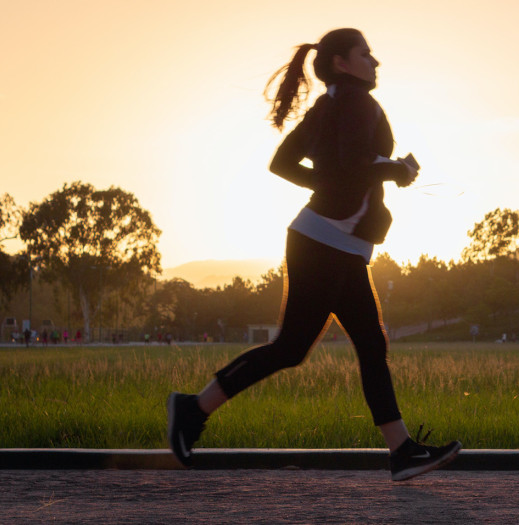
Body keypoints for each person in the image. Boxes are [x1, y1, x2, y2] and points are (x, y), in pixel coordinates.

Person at [167, 28, 461, 481]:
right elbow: (351, 165)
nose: (375, 61)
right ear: (343, 62)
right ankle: (192, 408)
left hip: (332, 242)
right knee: (294, 347)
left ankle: (401, 451)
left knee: (368, 343)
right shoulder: (356, 104)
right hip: (323, 243)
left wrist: (333, 185)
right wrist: (398, 169)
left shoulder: (329, 106)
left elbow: (284, 163)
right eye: (366, 54)